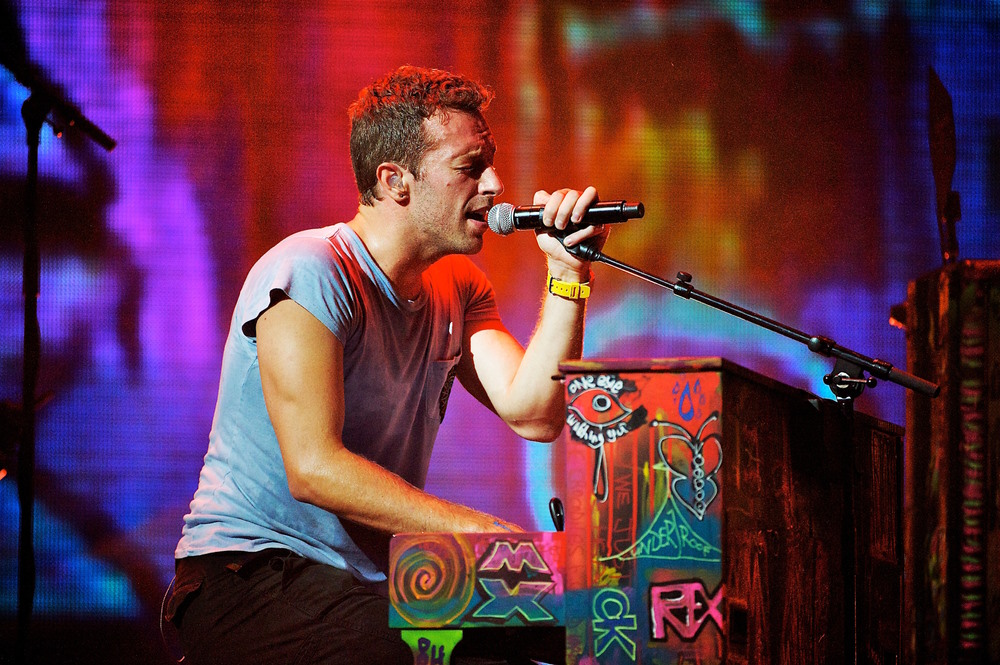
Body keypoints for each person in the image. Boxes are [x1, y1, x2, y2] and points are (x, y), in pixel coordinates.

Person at [164, 65, 608, 665]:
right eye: (471, 167)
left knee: (587, 621)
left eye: (492, 163)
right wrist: (477, 532)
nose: (497, 184)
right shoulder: (311, 269)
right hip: (247, 578)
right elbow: (314, 468)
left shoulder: (458, 287)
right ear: (396, 180)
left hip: (370, 589)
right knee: (437, 655)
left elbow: (535, 413)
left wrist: (568, 274)